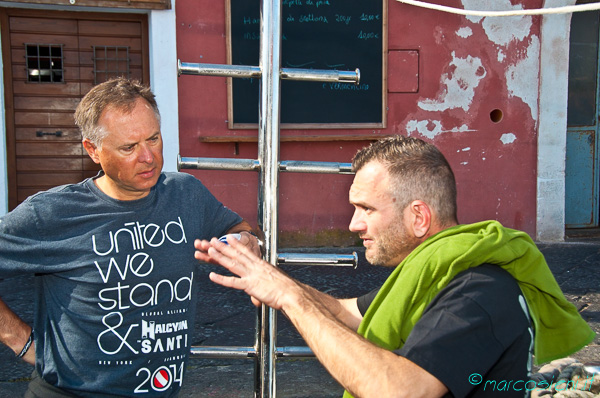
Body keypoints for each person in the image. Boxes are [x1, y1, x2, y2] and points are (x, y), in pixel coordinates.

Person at [195, 136, 595, 398]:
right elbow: (346, 312)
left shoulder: (477, 290)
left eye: (366, 209)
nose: (354, 224)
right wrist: (267, 276)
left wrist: (288, 296)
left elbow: (402, 390)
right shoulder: (431, 271)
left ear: (419, 216)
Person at [0, 77, 260, 397]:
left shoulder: (186, 193)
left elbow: (238, 226)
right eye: (129, 147)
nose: (148, 157)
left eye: (153, 139)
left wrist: (249, 243)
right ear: (92, 150)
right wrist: (21, 341)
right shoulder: (50, 213)